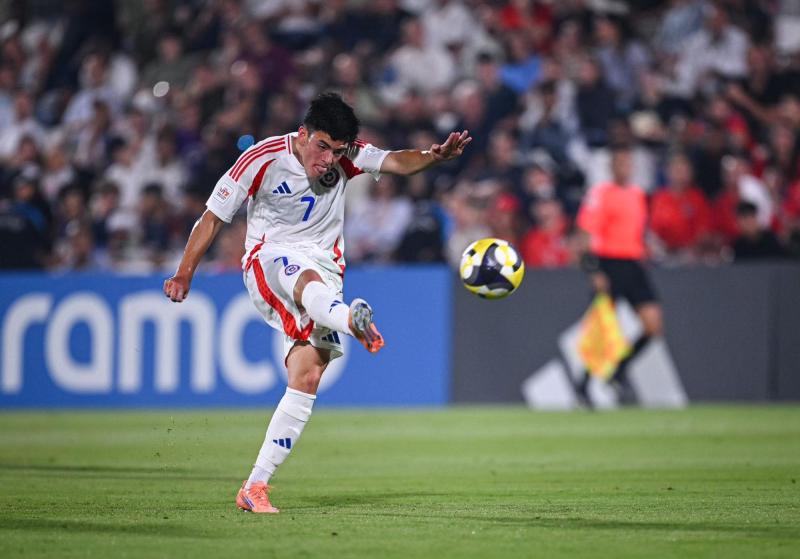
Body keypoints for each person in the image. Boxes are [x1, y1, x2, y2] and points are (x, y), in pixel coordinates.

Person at [163, 92, 471, 513]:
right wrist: (185, 272)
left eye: (337, 151)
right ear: (303, 134)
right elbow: (213, 217)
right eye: (322, 147)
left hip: (326, 270)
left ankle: (254, 486)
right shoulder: (262, 158)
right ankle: (350, 319)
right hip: (270, 258)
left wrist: (435, 157)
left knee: (307, 376)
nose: (328, 160)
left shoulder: (348, 157)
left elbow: (396, 161)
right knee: (304, 280)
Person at [575, 144, 664, 405]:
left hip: (633, 264)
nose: (625, 167)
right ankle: (584, 383)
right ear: (611, 166)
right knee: (602, 330)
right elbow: (584, 234)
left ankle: (618, 371)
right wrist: (593, 269)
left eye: (628, 163)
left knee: (653, 325)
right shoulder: (600, 194)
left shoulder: (638, 195)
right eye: (620, 163)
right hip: (608, 264)